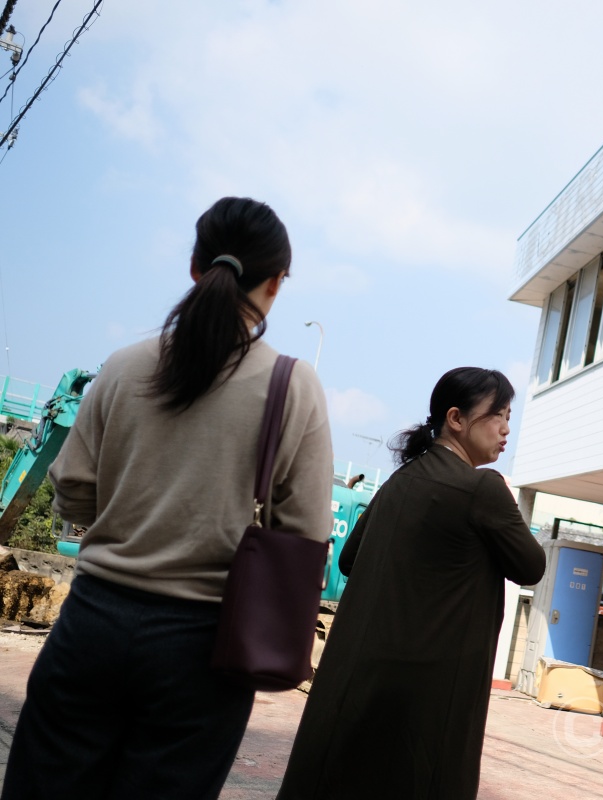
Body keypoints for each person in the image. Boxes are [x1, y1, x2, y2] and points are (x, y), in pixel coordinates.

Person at [1, 197, 334, 800]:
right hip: (205, 648)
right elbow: (305, 531)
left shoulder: (124, 366)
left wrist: (131, 521)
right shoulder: (294, 386)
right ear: (276, 284)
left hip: (91, 624)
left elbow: (72, 487)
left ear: (194, 266)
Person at [277, 367, 547, 800]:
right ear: (456, 418)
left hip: (354, 682)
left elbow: (349, 559)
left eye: (509, 417)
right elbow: (532, 566)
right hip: (428, 697)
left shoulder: (399, 481)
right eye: (497, 415)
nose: (506, 429)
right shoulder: (482, 489)